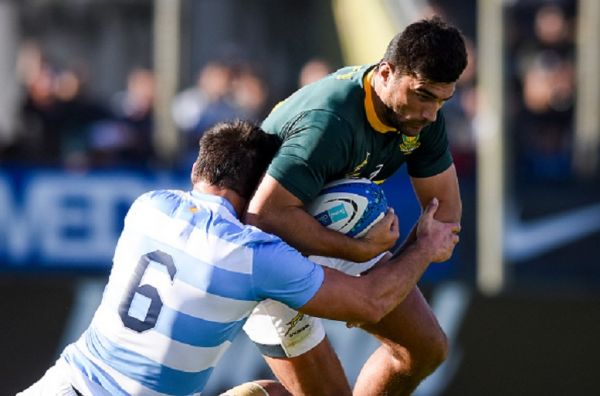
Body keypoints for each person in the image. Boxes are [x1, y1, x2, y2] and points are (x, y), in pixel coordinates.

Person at [18, 120, 459, 396]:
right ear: (257, 191)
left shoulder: (148, 207)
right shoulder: (251, 254)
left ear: (198, 170)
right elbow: (370, 302)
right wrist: (422, 247)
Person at [244, 16, 468, 395]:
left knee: (426, 349)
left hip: (332, 231)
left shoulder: (424, 117)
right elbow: (263, 217)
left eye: (442, 100)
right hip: (267, 254)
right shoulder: (329, 122)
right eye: (423, 95)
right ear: (385, 73)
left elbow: (443, 215)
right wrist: (359, 254)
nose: (430, 113)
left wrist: (393, 273)